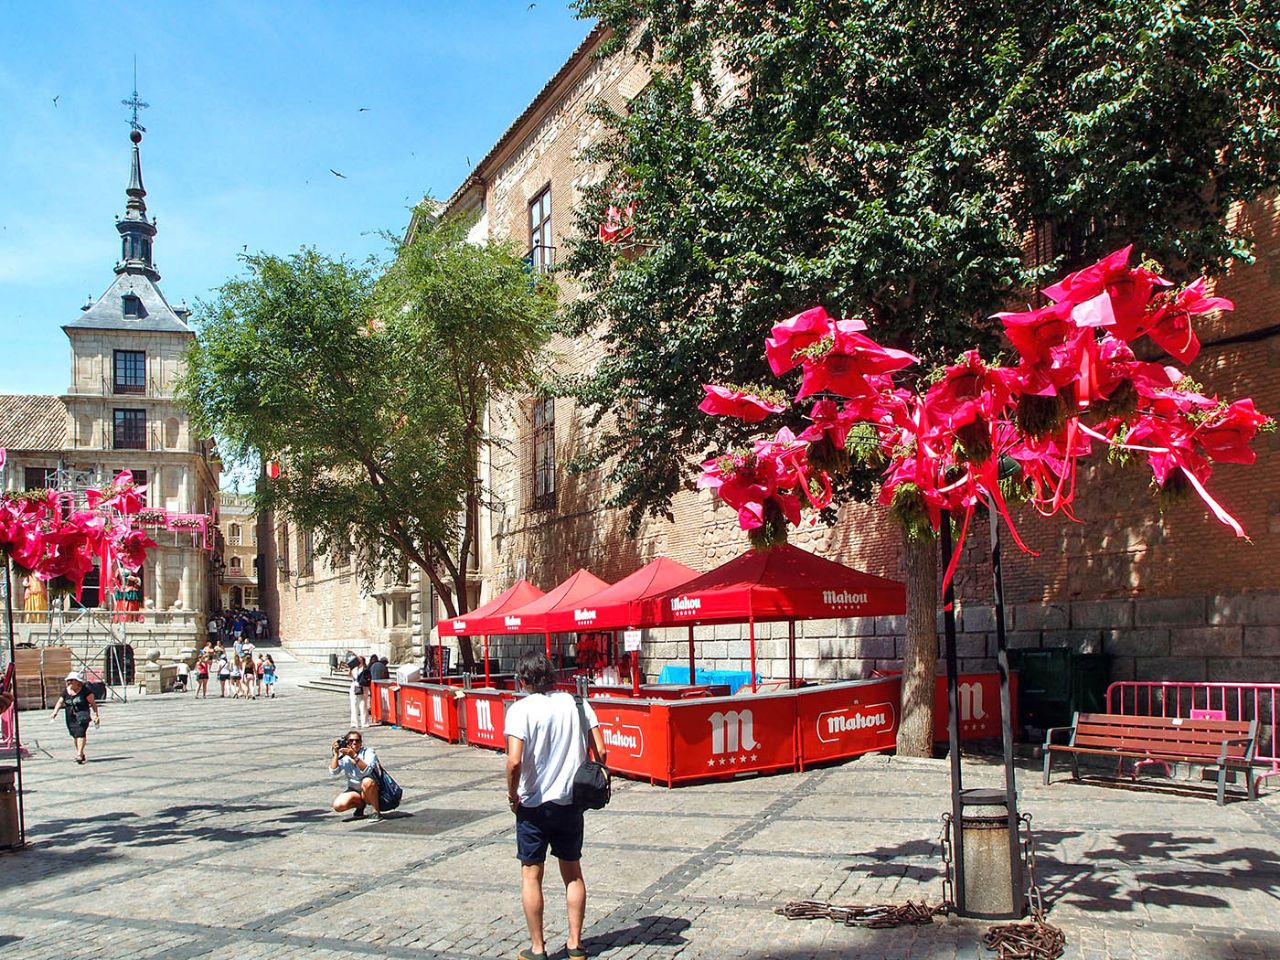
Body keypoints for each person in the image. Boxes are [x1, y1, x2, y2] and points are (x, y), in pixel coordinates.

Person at [504, 651, 607, 960]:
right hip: (570, 802)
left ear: (522, 680)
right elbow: (601, 751)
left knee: (531, 875)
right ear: (550, 674)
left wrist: (512, 795)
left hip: (532, 805)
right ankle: (576, 944)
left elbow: (514, 762)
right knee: (573, 872)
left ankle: (538, 948)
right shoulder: (577, 703)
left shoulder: (520, 710)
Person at [328, 729, 382, 821]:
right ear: (346, 743)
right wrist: (336, 754)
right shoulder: (344, 756)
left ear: (361, 743)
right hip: (355, 790)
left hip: (373, 789)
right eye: (351, 741)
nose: (354, 743)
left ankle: (376, 811)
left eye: (357, 741)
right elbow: (334, 771)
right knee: (338, 806)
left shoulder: (368, 752)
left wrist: (354, 756)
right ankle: (360, 805)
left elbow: (366, 771)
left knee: (367, 781)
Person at [48, 672, 100, 764]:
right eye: (68, 680)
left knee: (80, 733)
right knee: (75, 735)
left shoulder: (85, 691)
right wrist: (54, 712)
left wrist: (96, 715)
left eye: (71, 680)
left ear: (77, 681)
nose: (69, 682)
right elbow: (60, 702)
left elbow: (93, 703)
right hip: (70, 716)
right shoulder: (66, 691)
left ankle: (79, 754)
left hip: (82, 714)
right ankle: (81, 753)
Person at [349, 656, 368, 728]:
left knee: (363, 705)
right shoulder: (354, 668)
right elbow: (349, 675)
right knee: (354, 705)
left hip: (362, 687)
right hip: (354, 686)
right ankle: (354, 722)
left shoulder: (364, 669)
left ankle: (364, 722)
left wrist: (354, 653)